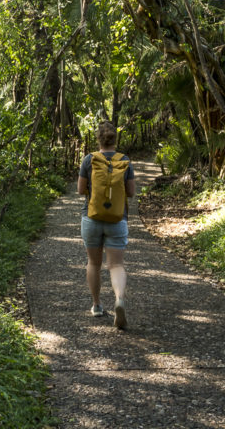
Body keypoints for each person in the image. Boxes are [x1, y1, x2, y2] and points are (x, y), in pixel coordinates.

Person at [78, 120, 135, 329]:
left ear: (98, 139)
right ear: (115, 139)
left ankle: (96, 305)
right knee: (116, 265)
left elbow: (80, 189)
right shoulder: (125, 161)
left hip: (91, 218)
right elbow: (131, 192)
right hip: (118, 219)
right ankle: (119, 299)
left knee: (94, 263)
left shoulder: (89, 160)